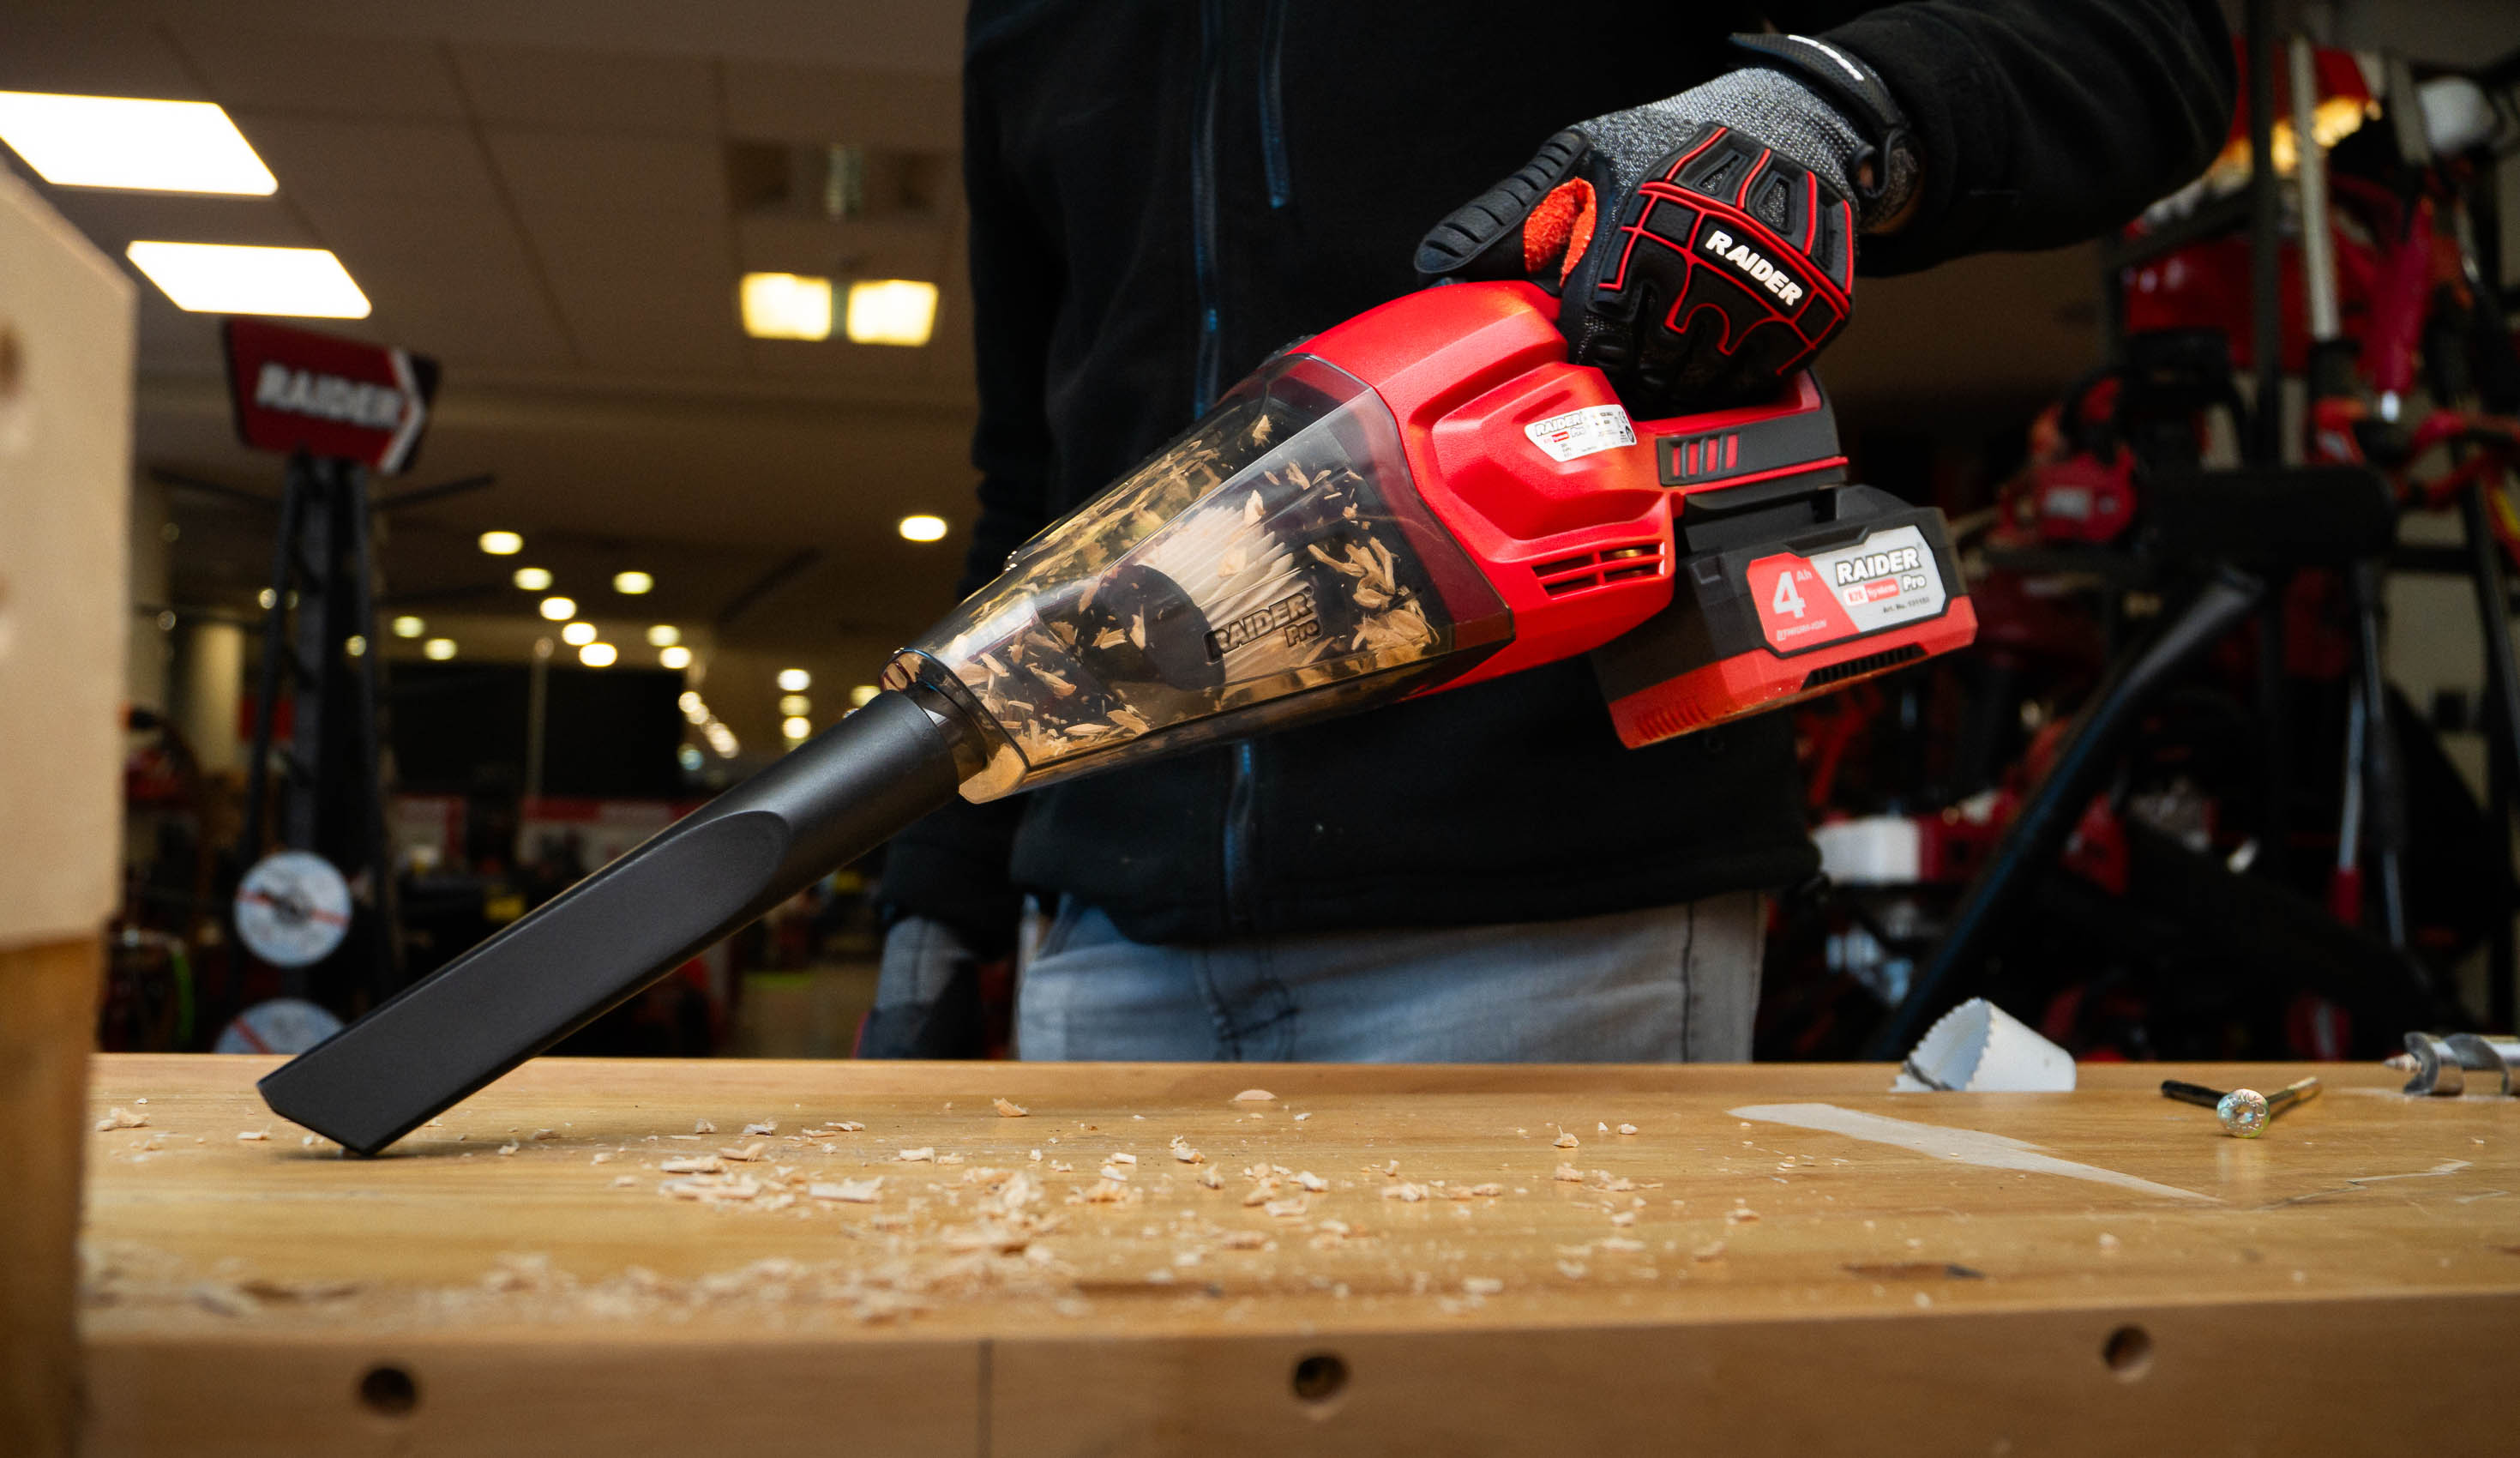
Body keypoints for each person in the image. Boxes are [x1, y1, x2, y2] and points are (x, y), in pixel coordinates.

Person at [867, 1, 2234, 1063]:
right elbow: (1039, 479)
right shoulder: (1030, 21)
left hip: (1550, 924)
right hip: (1107, 938)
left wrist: (1821, 107)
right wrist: (936, 901)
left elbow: (2139, 43)